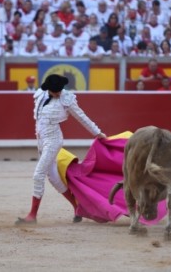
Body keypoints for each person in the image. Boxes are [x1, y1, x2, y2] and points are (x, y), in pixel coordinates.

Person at [15, 74, 106, 225]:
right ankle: (78, 207)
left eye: (60, 90)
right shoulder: (40, 94)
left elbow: (82, 117)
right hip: (41, 139)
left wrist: (97, 133)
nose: (59, 92)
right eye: (56, 90)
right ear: (49, 89)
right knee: (54, 178)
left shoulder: (67, 99)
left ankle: (32, 215)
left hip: (53, 140)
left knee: (38, 175)